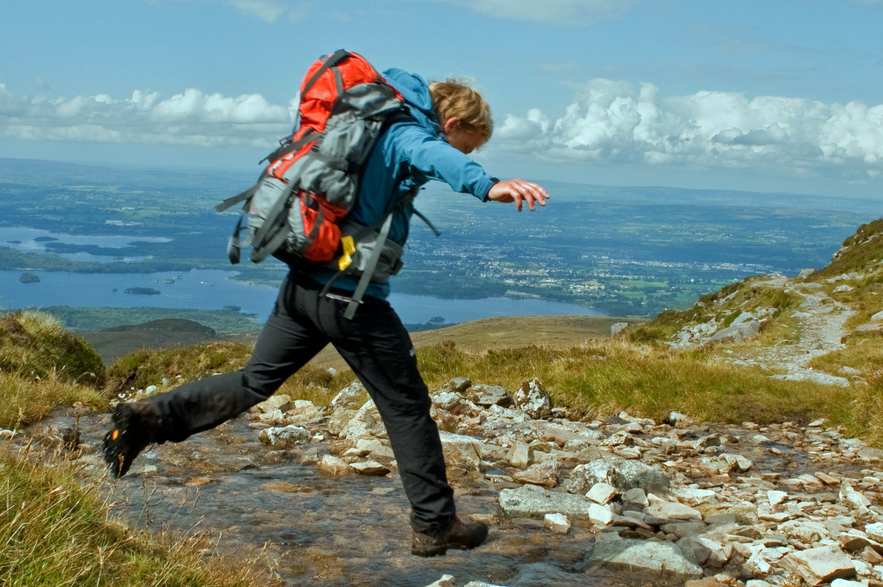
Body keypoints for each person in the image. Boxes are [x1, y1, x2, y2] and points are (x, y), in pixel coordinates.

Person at [102, 66, 549, 556]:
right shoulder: (405, 133)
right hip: (351, 299)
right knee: (405, 407)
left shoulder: (368, 125)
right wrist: (489, 185)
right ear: (454, 122)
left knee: (254, 379)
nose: (471, 152)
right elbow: (434, 155)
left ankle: (145, 419)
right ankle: (435, 523)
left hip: (304, 286)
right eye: (471, 142)